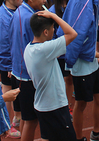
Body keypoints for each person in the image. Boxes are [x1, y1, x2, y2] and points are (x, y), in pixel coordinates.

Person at [58, 0, 99, 141]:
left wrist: (93, 58)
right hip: (81, 66)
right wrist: (98, 55)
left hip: (89, 63)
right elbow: (77, 43)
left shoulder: (87, 8)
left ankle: (96, 133)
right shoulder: (81, 13)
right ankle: (78, 137)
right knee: (81, 104)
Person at [25, 9, 78, 141]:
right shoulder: (44, 49)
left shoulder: (29, 48)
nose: (54, 31)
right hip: (55, 107)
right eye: (53, 28)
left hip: (42, 105)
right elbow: (72, 34)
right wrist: (54, 15)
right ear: (45, 32)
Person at [9, 0, 49, 141]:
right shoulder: (30, 19)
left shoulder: (19, 12)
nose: (44, 1)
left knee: (28, 119)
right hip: (27, 76)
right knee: (31, 121)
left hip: (21, 72)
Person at [0, 0, 23, 137]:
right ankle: (6, 125)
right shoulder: (2, 19)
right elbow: (3, 46)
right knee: (7, 93)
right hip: (9, 64)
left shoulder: (13, 11)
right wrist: (9, 66)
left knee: (15, 93)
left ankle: (15, 120)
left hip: (15, 62)